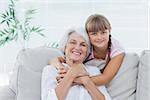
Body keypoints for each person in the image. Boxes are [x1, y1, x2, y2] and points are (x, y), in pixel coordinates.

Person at [49, 14, 125, 87]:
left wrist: (72, 80)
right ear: (88, 34)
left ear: (110, 30)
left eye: (103, 33)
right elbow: (55, 60)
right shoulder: (84, 46)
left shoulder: (116, 49)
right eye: (94, 34)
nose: (99, 37)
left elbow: (105, 78)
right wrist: (61, 68)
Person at [41, 28, 112, 100]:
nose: (77, 48)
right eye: (73, 42)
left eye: (83, 45)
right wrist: (72, 73)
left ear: (87, 51)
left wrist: (86, 81)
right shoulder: (51, 70)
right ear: (65, 47)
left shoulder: (94, 71)